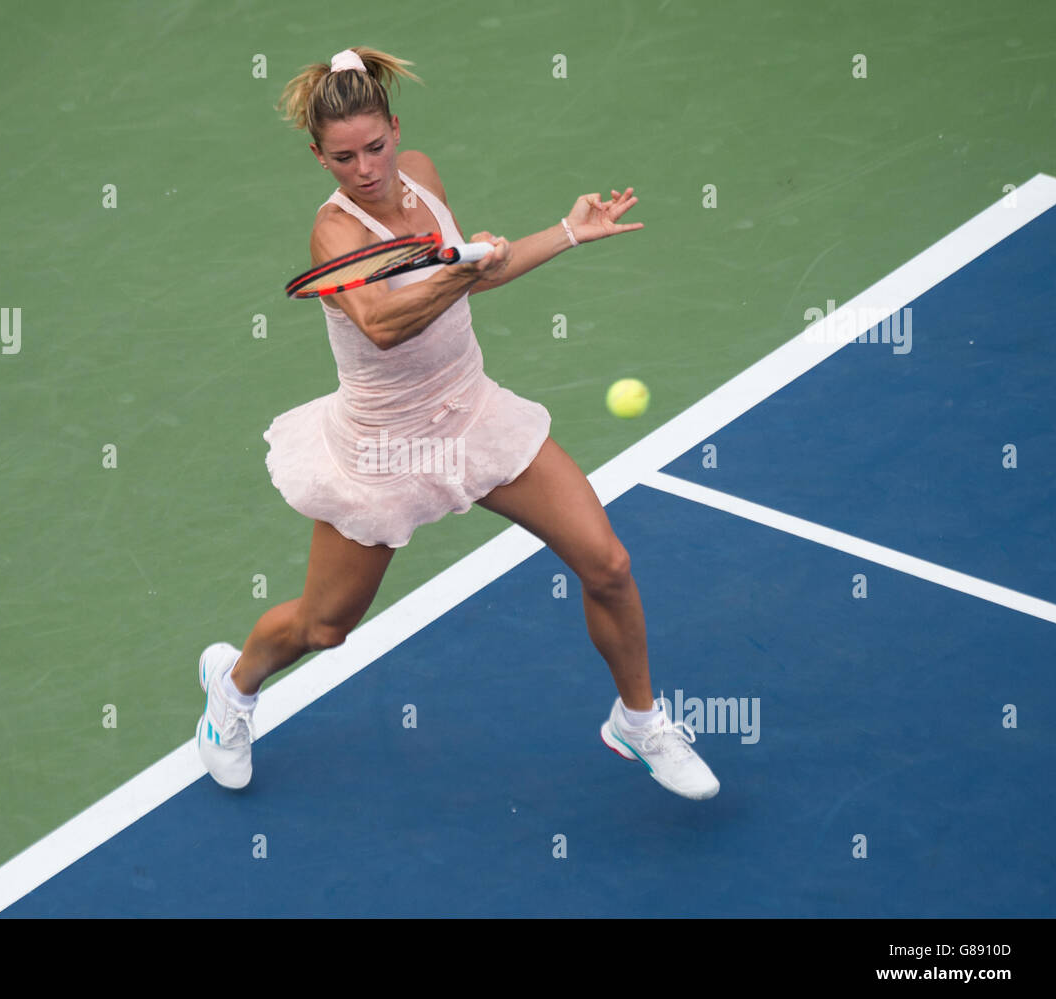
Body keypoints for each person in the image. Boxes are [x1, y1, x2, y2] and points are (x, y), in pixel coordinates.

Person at [197, 46, 718, 800]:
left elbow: (482, 270)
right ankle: (232, 689)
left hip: (473, 413)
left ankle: (636, 721)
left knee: (606, 563)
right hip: (383, 445)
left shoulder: (426, 177)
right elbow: (381, 322)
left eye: (377, 147)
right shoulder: (334, 237)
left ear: (397, 131)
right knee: (323, 627)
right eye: (343, 157)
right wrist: (458, 273)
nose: (366, 168)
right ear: (319, 157)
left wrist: (567, 233)